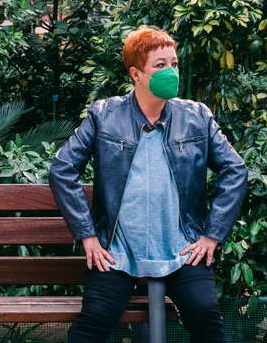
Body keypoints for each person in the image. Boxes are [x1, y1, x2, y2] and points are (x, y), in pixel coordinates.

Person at [48, 26, 248, 343]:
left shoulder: (197, 116)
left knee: (205, 316)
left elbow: (235, 169)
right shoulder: (104, 114)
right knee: (94, 322)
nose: (171, 71)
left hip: (184, 252)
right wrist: (87, 235)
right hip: (116, 252)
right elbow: (62, 169)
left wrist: (212, 235)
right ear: (136, 74)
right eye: (160, 65)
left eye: (174, 63)